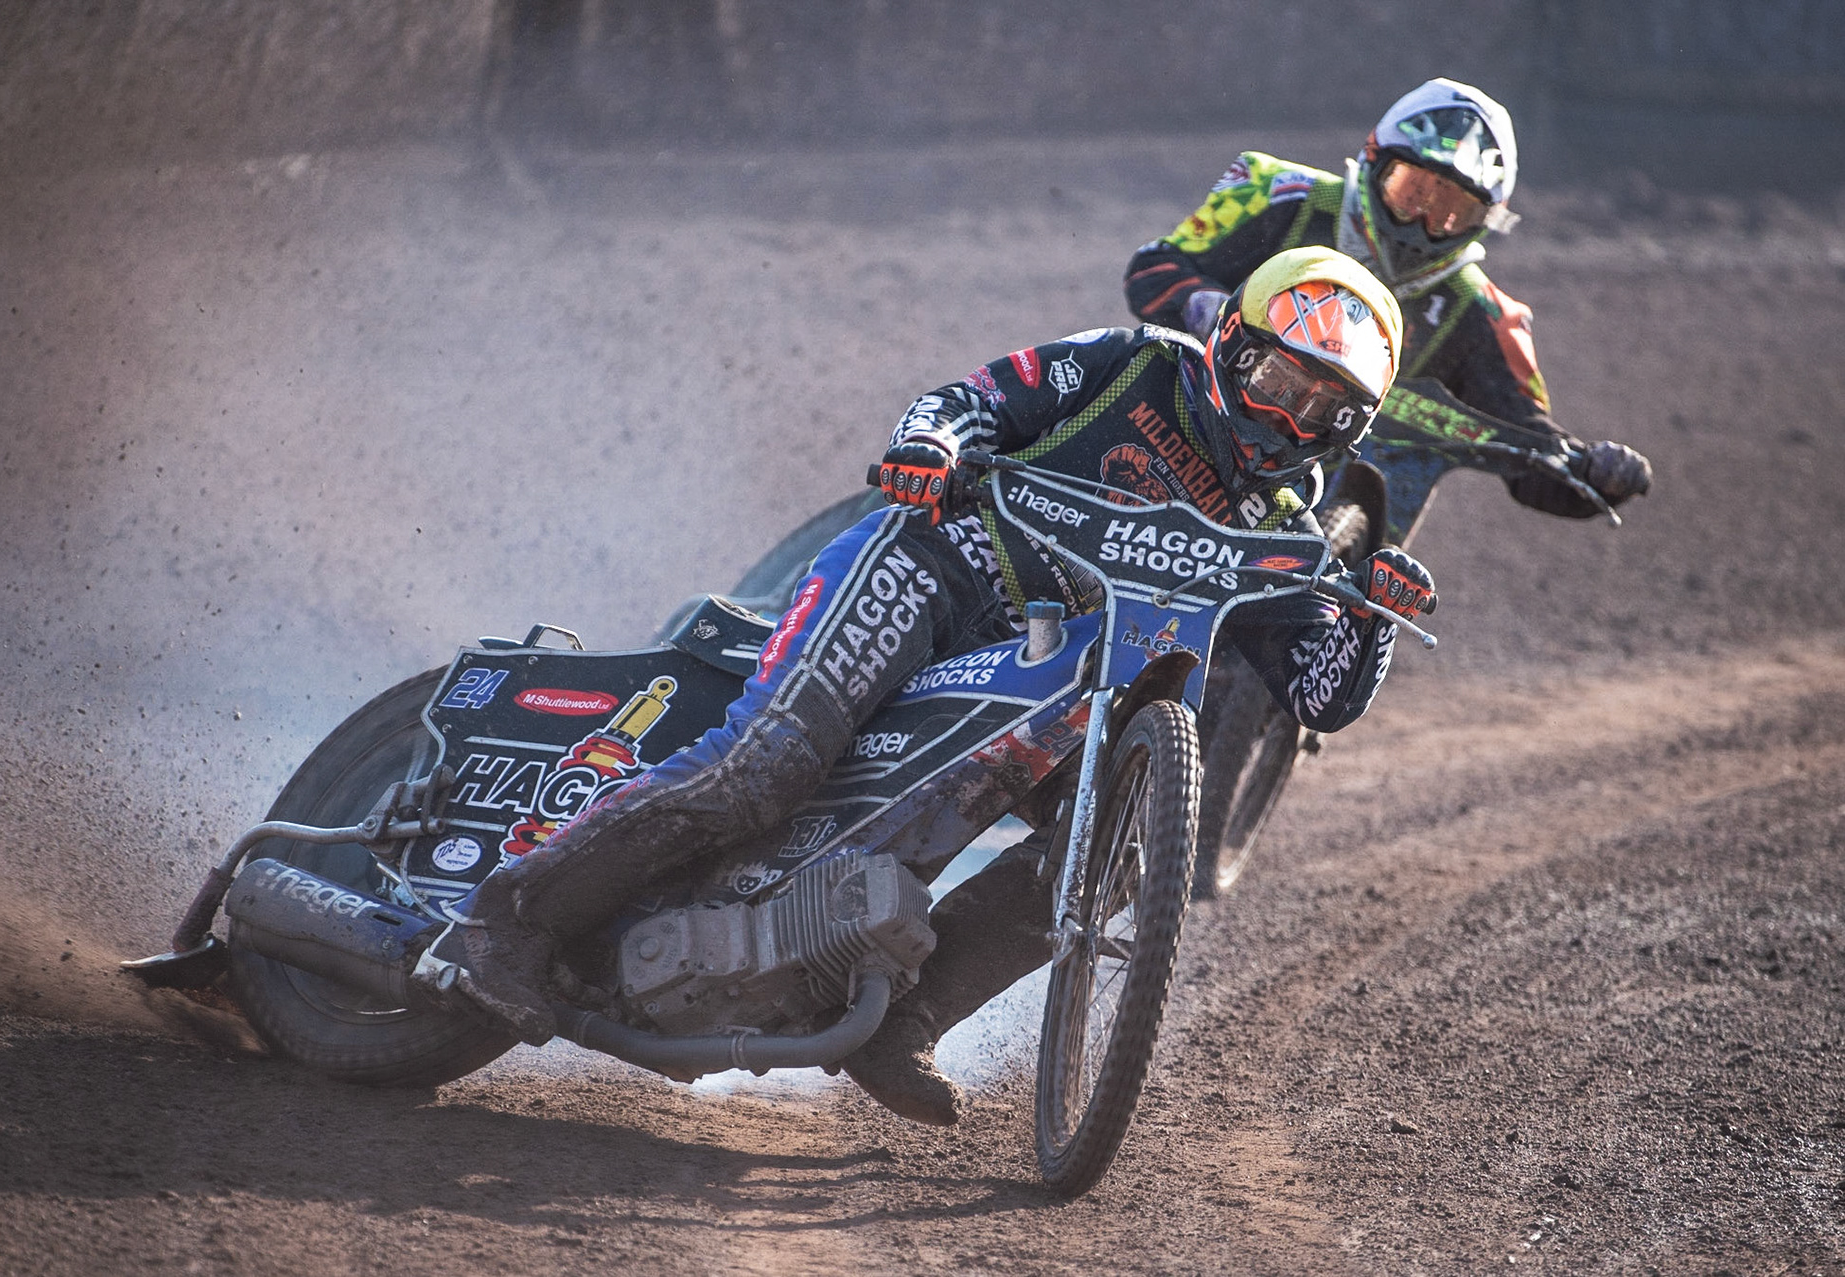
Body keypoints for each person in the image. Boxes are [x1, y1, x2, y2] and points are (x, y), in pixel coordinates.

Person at [429, 247, 1439, 1125]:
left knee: (1115, 851)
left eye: (1324, 408)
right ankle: (503, 922)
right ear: (1232, 347)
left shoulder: (1282, 530)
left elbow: (1324, 695)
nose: (1289, 418)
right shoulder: (1136, 362)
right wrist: (932, 447)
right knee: (763, 767)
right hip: (935, 566)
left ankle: (904, 1020)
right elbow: (967, 399)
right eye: (1277, 380)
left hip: (1046, 675)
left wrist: (1369, 612)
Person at [1124, 78, 1652, 515]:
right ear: (1373, 165)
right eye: (1411, 192)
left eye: (1451, 212)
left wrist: (1598, 474)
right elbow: (1153, 269)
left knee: (1380, 586)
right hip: (1195, 430)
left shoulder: (1486, 314)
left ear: (1484, 222)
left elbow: (1524, 451)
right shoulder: (1280, 193)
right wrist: (1209, 309)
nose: (1422, 225)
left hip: (1341, 497)